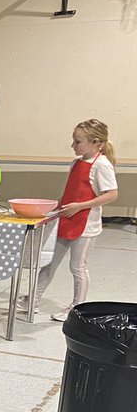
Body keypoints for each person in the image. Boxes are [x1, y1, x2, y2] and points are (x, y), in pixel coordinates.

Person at [32, 120, 118, 321]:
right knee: (49, 262)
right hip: (66, 220)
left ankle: (77, 308)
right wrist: (55, 209)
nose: (73, 145)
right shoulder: (76, 163)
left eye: (77, 142)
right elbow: (69, 193)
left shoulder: (102, 165)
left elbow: (112, 194)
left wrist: (79, 206)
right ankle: (33, 299)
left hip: (86, 226)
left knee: (77, 267)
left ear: (96, 142)